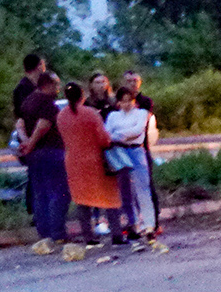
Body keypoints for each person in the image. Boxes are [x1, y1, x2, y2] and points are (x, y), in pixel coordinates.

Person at [55, 81, 125, 243]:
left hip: (73, 162)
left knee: (82, 200)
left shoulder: (61, 116)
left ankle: (89, 237)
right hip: (95, 161)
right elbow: (104, 139)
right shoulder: (91, 113)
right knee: (109, 197)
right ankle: (116, 234)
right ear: (83, 95)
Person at [19, 72, 68, 242]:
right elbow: (43, 125)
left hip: (34, 155)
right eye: (56, 84)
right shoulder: (47, 103)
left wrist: (26, 143)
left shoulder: (28, 101)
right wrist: (31, 142)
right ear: (48, 85)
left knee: (41, 194)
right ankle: (58, 233)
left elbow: (19, 124)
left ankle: (44, 233)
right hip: (51, 151)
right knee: (59, 192)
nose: (58, 88)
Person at [104, 85, 157, 240]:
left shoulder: (141, 113)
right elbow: (107, 133)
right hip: (119, 152)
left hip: (136, 151)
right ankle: (134, 224)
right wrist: (121, 137)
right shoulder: (113, 116)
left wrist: (119, 134)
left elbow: (137, 130)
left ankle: (149, 225)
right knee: (126, 191)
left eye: (130, 100)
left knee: (143, 188)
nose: (127, 104)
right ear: (118, 102)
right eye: (123, 101)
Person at [12, 53, 45, 213]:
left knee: (37, 174)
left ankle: (36, 209)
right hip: (30, 136)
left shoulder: (37, 86)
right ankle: (33, 209)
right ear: (39, 66)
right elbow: (22, 116)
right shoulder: (23, 88)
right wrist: (26, 138)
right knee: (35, 173)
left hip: (40, 136)